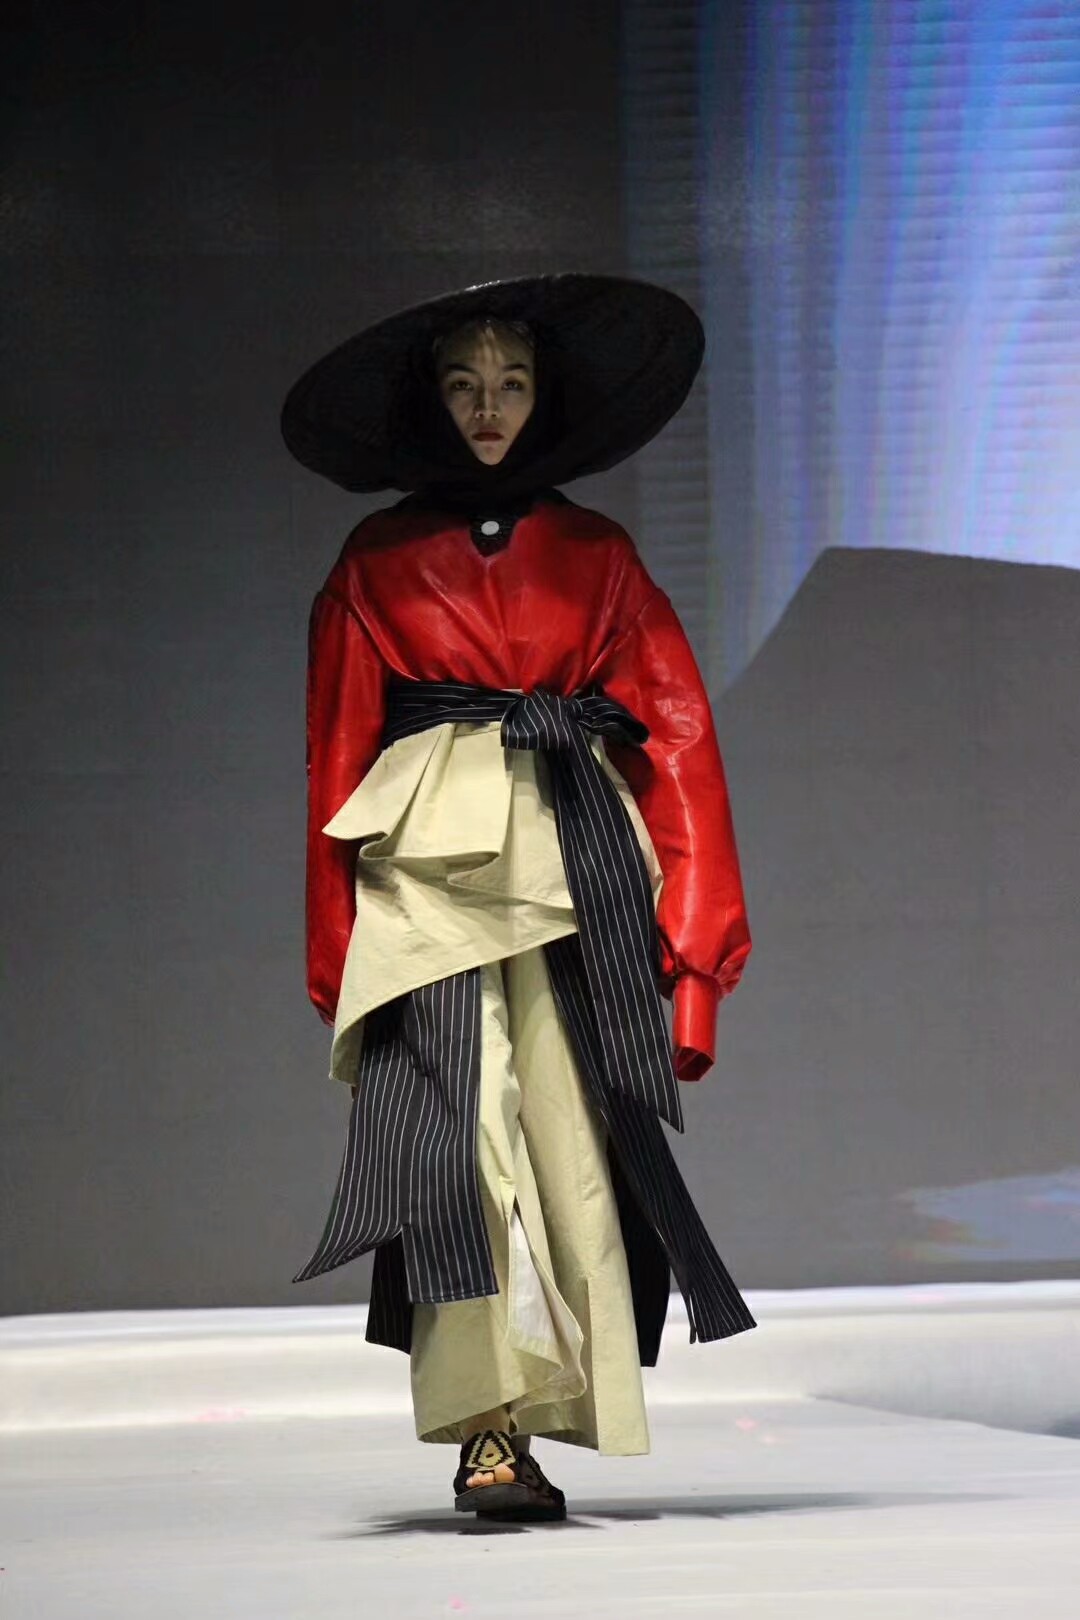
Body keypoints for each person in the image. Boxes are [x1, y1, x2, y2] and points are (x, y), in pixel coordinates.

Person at [281, 273, 757, 1522]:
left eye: (511, 384)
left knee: (566, 1139)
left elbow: (678, 741)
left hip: (571, 855)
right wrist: (333, 949)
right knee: (451, 1139)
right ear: (427, 403)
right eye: (462, 385)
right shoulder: (375, 563)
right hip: (424, 869)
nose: (488, 408)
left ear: (547, 398)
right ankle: (485, 1429)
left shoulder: (599, 557)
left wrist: (696, 958)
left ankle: (545, 1411)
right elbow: (334, 753)